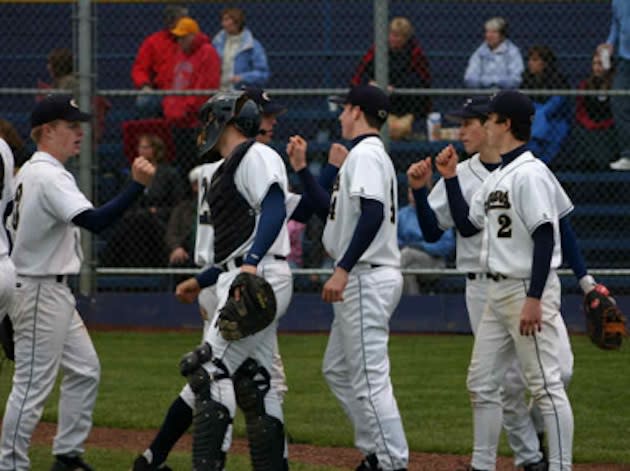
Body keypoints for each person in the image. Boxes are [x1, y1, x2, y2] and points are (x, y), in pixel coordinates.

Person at [408, 95, 608, 469]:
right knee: (483, 383)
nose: (479, 126)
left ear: (503, 124)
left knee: (547, 385)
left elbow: (547, 234)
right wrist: (444, 182)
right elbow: (466, 226)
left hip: (522, 289)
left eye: (489, 119)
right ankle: (484, 464)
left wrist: (538, 295)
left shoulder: (530, 173)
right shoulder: (500, 175)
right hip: (494, 292)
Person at [0, 95, 155, 471]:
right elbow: (95, 221)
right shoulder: (48, 175)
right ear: (47, 131)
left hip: (45, 287)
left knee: (85, 369)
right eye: (71, 126)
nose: (79, 132)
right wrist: (136, 187)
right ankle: (10, 464)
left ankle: (67, 456)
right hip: (38, 289)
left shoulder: (31, 172)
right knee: (32, 386)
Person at [320, 84, 408, 471]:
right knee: (337, 369)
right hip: (366, 273)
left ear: (356, 111)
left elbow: (372, 214)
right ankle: (375, 451)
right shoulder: (365, 156)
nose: (340, 115)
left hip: (364, 276)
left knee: (370, 380)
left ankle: (392, 462)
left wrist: (342, 269)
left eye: (344, 109)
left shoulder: (367, 154)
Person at [100, 133, 185, 267]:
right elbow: (125, 200)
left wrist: (159, 210)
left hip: (160, 219)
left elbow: (178, 205)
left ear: (156, 150)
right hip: (135, 219)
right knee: (134, 221)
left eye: (146, 148)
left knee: (140, 221)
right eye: (140, 148)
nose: (142, 151)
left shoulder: (169, 174)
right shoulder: (132, 174)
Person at [351, 16, 431, 140]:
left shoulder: (414, 53)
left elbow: (422, 81)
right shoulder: (378, 49)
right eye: (392, 34)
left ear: (406, 38)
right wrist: (371, 83)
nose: (394, 39)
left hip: (406, 105)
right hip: (381, 102)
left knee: (400, 127)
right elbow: (359, 75)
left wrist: (396, 87)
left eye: (399, 36)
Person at [131, 3, 188, 119]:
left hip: (189, 91)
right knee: (144, 102)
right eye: (181, 20)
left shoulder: (193, 40)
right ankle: (151, 136)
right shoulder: (153, 42)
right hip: (161, 92)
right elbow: (139, 68)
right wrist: (145, 85)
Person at [397, 188, 455, 294]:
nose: (414, 196)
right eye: (411, 192)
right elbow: (395, 240)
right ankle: (413, 305)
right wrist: (408, 245)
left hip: (434, 262)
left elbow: (448, 245)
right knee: (408, 272)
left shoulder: (438, 213)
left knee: (406, 254)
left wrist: (422, 247)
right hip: (407, 262)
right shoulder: (401, 215)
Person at [520, 45, 571, 164]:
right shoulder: (526, 79)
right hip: (531, 116)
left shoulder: (558, 79)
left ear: (545, 63)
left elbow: (557, 104)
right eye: (530, 60)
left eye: (535, 60)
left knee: (545, 118)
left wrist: (541, 112)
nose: (530, 63)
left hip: (552, 118)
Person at [572, 50, 617, 171]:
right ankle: (588, 162)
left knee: (607, 134)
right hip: (590, 124)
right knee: (581, 131)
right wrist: (589, 123)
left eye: (600, 64)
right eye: (594, 64)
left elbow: (618, 112)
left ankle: (604, 162)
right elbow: (580, 110)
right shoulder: (585, 85)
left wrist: (604, 124)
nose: (597, 68)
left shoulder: (616, 85)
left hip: (609, 125)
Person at [599, 0, 630, 171]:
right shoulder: (618, 1)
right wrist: (610, 44)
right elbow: (616, 25)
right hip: (625, 60)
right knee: (619, 101)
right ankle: (628, 155)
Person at [212, 7, 270, 91]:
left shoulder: (252, 45)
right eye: (223, 20)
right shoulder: (217, 43)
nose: (223, 24)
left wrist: (242, 78)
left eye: (227, 20)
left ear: (237, 21)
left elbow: (263, 73)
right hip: (219, 92)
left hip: (241, 94)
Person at [464, 17, 524, 90]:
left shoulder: (513, 52)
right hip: (482, 95)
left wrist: (487, 81)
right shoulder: (479, 52)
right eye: (487, 32)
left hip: (505, 96)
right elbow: (469, 78)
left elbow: (516, 80)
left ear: (502, 35)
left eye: (494, 32)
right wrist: (496, 81)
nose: (489, 35)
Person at [165, 165, 201, 269]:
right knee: (176, 259)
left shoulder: (218, 205)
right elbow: (171, 233)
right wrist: (177, 248)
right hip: (187, 253)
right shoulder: (182, 209)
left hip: (213, 253)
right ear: (194, 186)